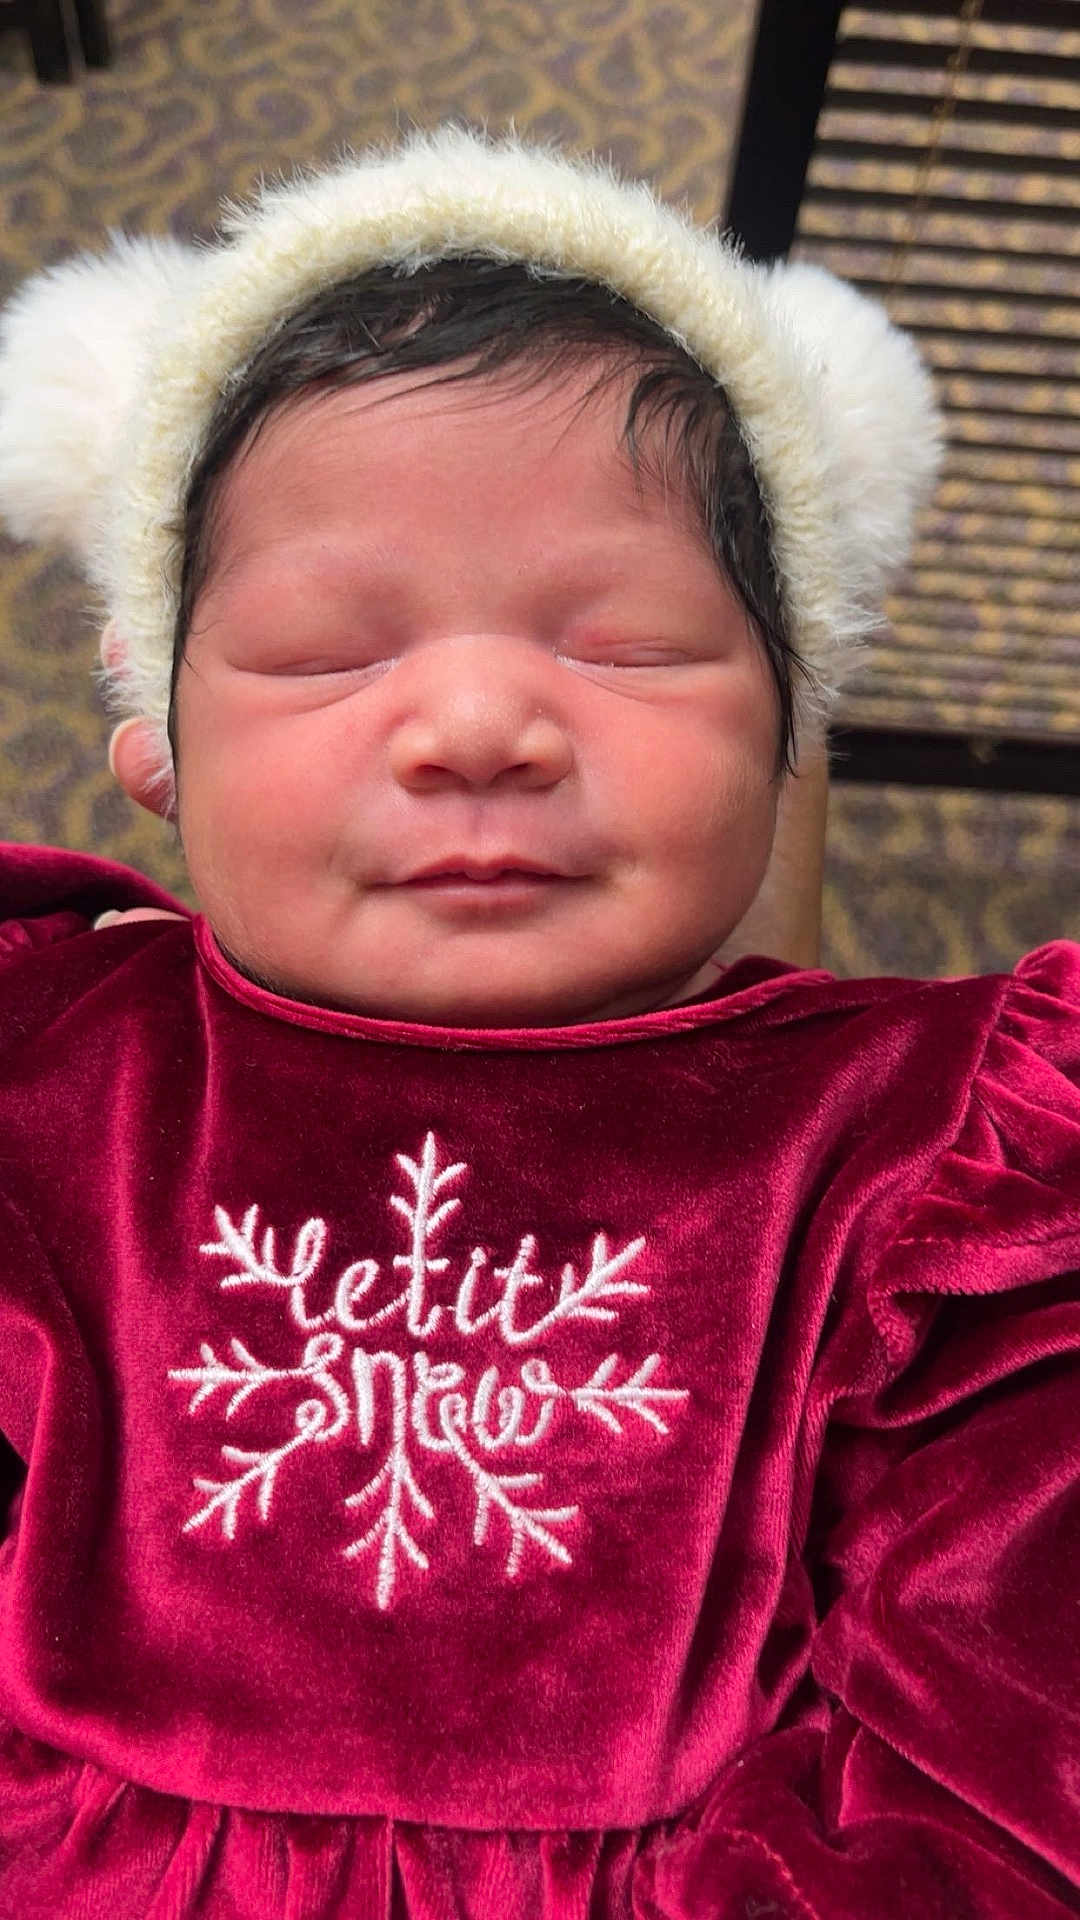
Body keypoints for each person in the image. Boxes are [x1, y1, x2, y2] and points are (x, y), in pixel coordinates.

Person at [0, 124, 1076, 1919]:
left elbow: (998, 1750)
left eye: (631, 646)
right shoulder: (48, 1081)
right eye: (329, 651)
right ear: (160, 757)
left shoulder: (945, 1167)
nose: (480, 723)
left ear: (784, 744)